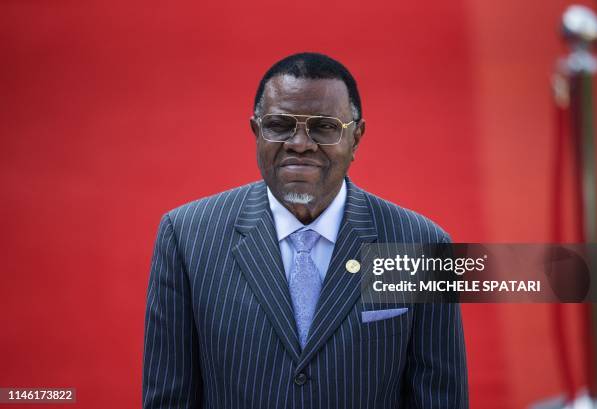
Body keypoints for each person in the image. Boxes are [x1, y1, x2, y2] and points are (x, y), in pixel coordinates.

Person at [143, 52, 468, 409]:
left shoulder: (422, 244)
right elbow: (168, 399)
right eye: (280, 125)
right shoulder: (187, 238)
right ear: (256, 131)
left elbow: (440, 398)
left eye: (324, 127)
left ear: (356, 138)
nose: (300, 143)